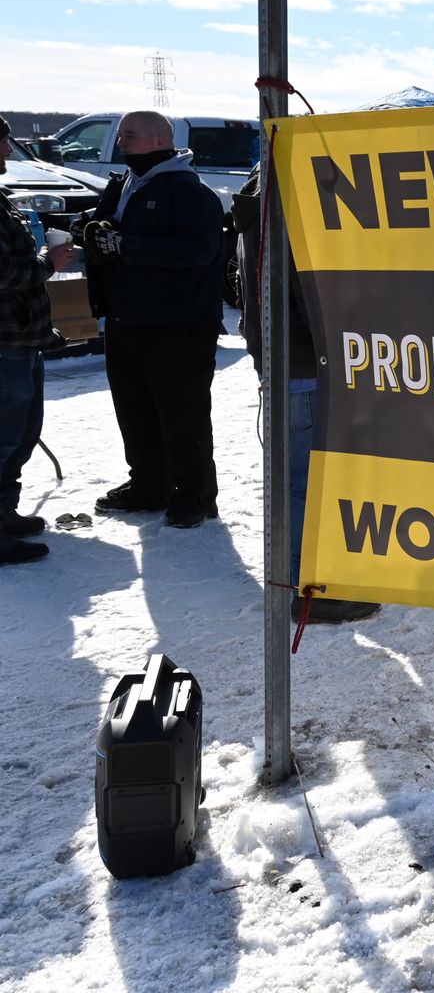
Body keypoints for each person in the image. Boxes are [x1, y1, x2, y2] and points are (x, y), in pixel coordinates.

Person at [232, 165, 382, 624]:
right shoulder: (290, 204)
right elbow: (313, 295)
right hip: (306, 367)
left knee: (300, 480)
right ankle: (309, 588)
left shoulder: (258, 199)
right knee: (307, 483)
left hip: (286, 364)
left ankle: (307, 579)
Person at [80, 111, 226, 528]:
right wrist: (91, 230)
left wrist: (127, 246)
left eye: (130, 136)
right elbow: (102, 230)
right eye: (121, 136)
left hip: (178, 324)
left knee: (182, 414)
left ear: (160, 139)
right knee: (134, 409)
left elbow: (197, 252)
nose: (121, 142)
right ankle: (148, 484)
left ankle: (193, 495)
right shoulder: (124, 183)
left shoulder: (190, 192)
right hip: (126, 318)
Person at [0, 115, 74, 565]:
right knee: (4, 437)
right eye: (4, 141)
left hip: (22, 338)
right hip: (5, 342)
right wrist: (49, 262)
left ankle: (4, 514)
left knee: (21, 433)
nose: (9, 150)